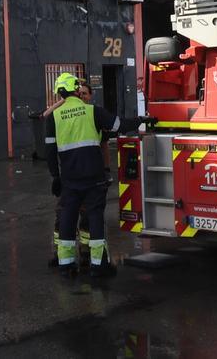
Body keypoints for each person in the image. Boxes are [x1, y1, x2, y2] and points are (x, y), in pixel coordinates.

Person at [47, 72, 152, 279]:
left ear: (60, 92)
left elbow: (49, 151)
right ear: (77, 90)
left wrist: (55, 177)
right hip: (94, 177)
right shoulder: (91, 111)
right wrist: (141, 120)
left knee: (67, 218)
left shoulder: (54, 117)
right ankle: (98, 266)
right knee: (95, 217)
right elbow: (119, 125)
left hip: (69, 178)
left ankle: (66, 265)